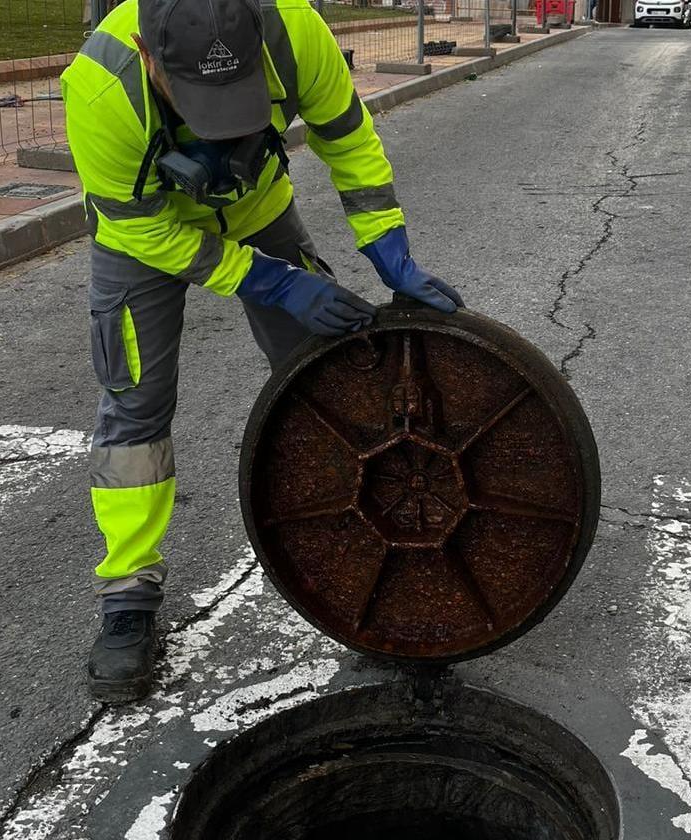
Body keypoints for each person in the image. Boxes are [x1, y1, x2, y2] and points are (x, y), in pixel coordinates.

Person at [61, 0, 462, 702]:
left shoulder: (294, 29)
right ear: (149, 57)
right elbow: (138, 228)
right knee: (136, 406)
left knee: (325, 373)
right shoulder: (101, 87)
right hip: (146, 237)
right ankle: (128, 596)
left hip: (257, 208)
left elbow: (347, 137)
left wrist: (388, 247)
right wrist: (267, 279)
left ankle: (376, 538)